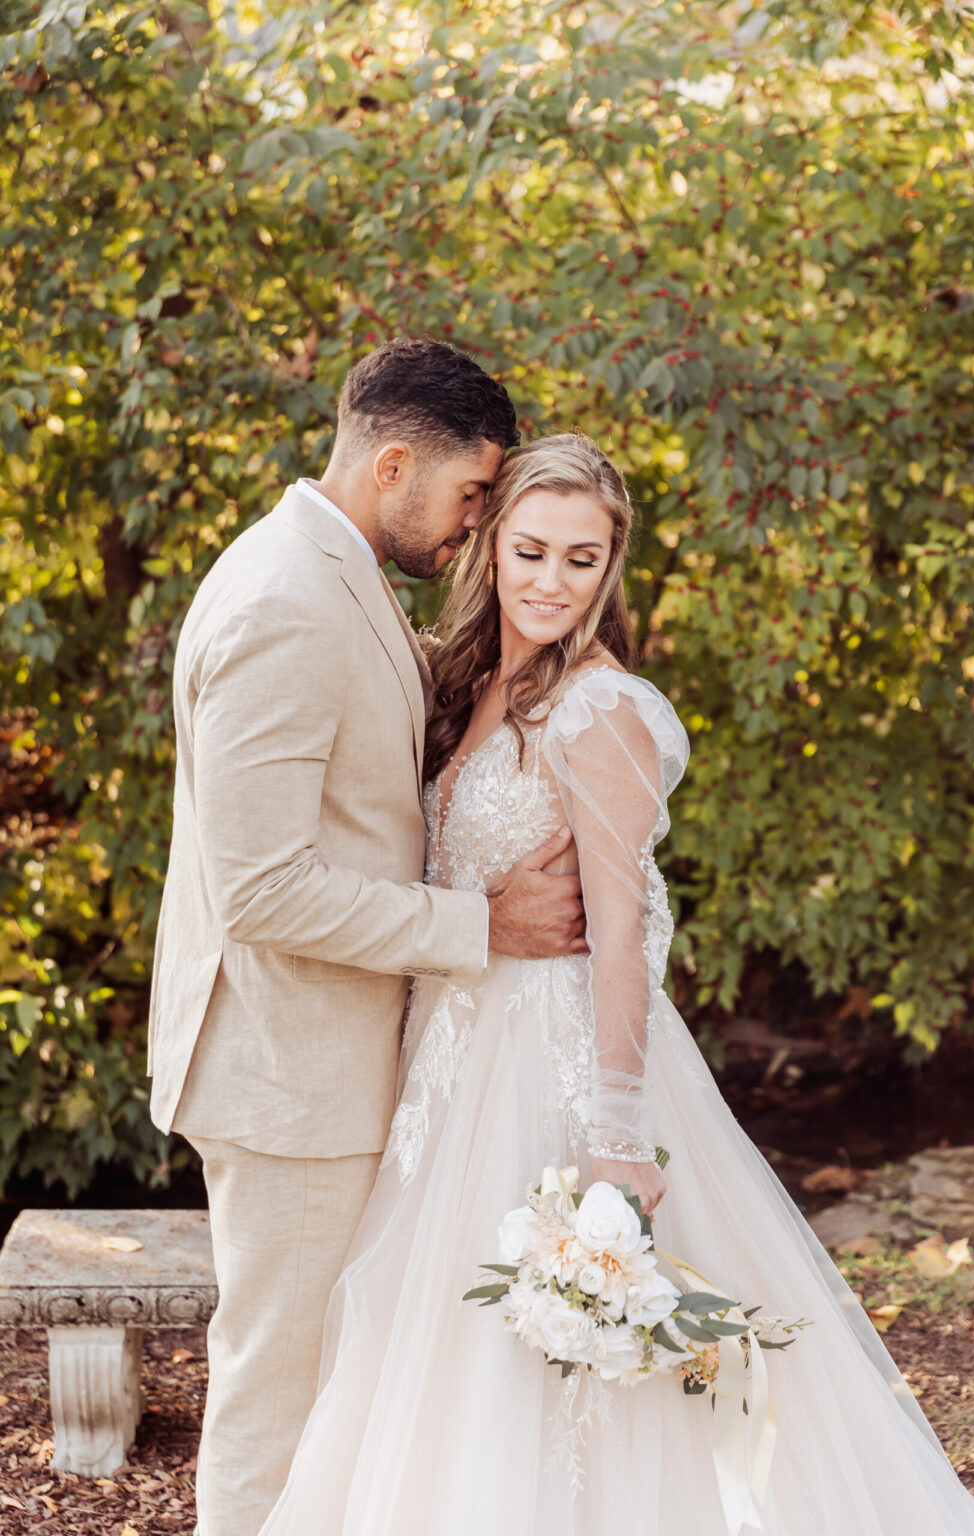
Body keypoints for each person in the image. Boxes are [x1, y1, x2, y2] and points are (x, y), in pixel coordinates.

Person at [257, 431, 974, 1536]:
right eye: (529, 551)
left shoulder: (601, 711)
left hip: (551, 1067)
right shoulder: (459, 681)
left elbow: (622, 934)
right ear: (490, 548)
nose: (550, 581)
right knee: (439, 1354)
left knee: (580, 1381)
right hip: (448, 1065)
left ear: (610, 570)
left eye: (580, 559)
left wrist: (615, 1138)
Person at [147, 339, 587, 1536]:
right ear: (392, 463)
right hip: (286, 1077)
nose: (473, 526)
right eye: (467, 496)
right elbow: (263, 888)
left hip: (330, 1062)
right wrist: (478, 925)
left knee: (334, 1395)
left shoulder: (333, 576)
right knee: (276, 1401)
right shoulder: (283, 603)